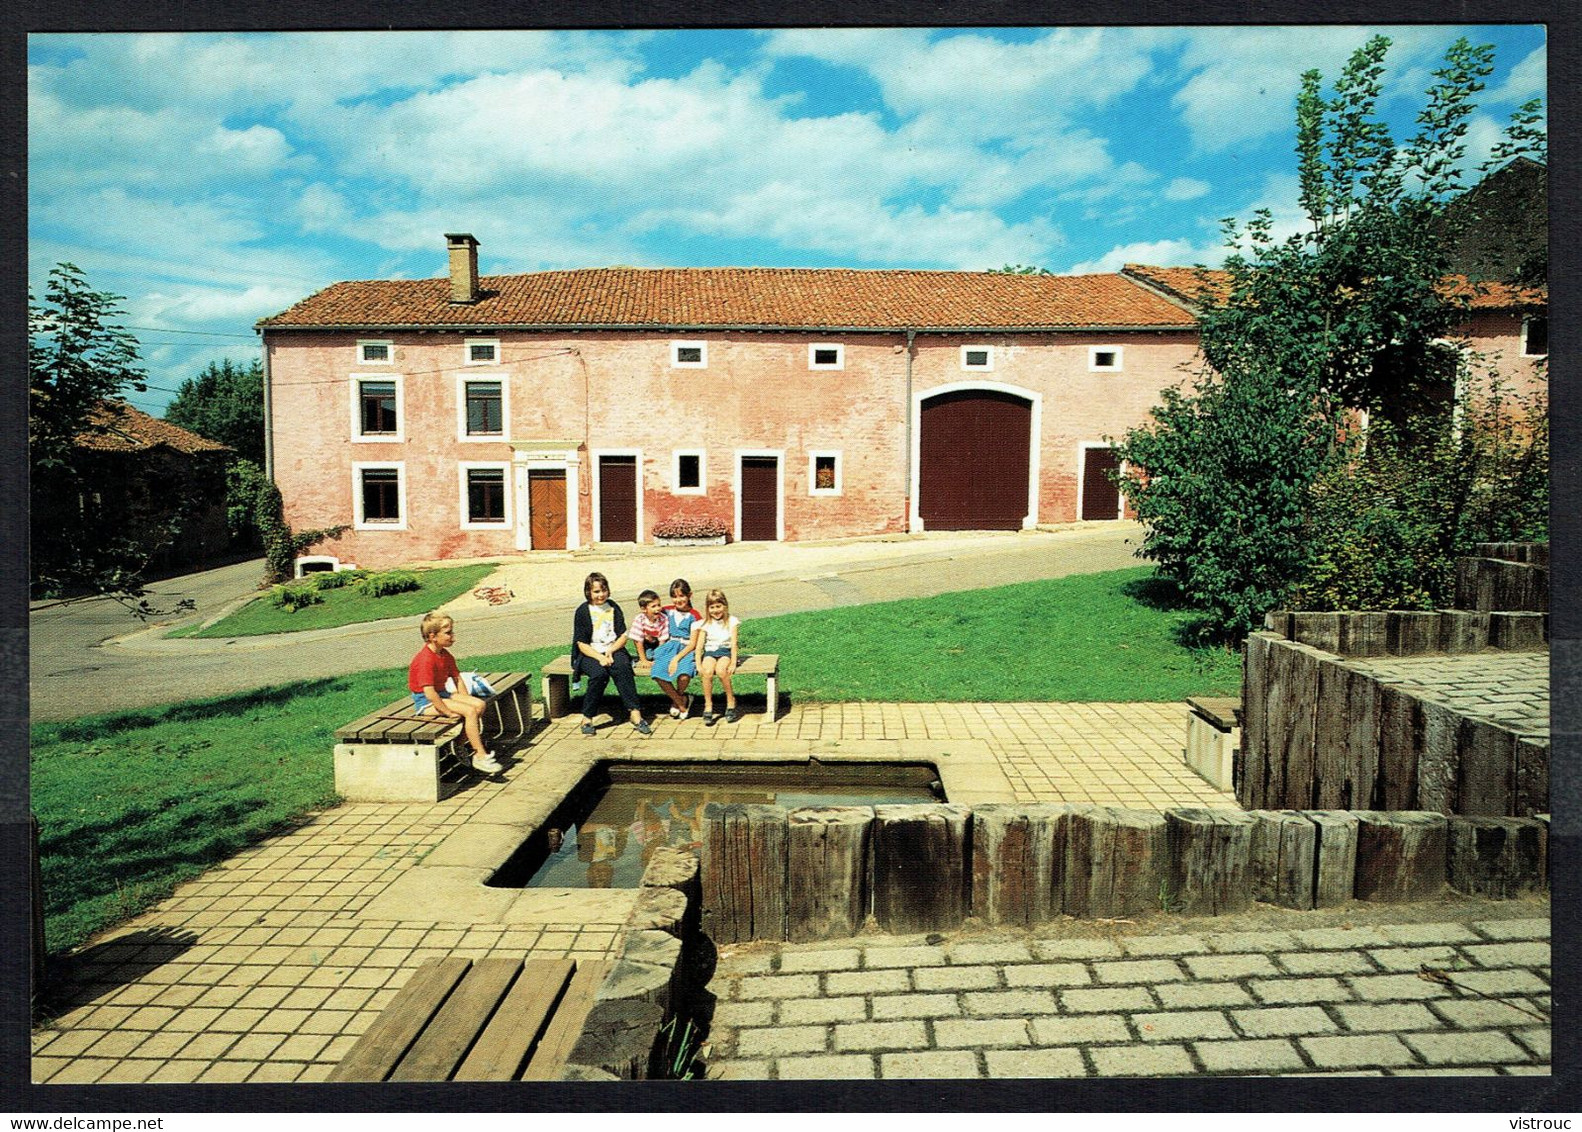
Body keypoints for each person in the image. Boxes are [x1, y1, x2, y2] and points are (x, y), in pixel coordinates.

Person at [408, 611, 502, 774]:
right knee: (470, 711)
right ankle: (480, 755)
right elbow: (429, 693)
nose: (453, 636)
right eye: (448, 633)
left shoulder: (444, 655)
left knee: (479, 705)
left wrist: (465, 699)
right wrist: (447, 712)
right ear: (432, 636)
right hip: (426, 702)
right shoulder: (425, 659)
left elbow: (457, 678)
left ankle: (458, 744)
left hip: (442, 693)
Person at [570, 571, 653, 737]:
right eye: (596, 591)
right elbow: (581, 644)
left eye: (603, 590)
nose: (601, 595)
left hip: (613, 648)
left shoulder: (613, 607)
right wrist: (600, 657)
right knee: (599, 675)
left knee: (623, 668)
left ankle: (635, 714)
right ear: (588, 592)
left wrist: (611, 651)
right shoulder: (583, 611)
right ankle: (587, 718)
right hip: (590, 653)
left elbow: (623, 635)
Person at [649, 578, 702, 719]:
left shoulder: (694, 616)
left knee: (684, 674)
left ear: (689, 595)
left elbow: (693, 643)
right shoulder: (666, 611)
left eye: (681, 596)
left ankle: (676, 700)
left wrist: (676, 659)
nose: (678, 600)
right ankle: (682, 702)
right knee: (657, 672)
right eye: (674, 596)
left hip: (686, 648)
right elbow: (648, 615)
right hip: (669, 646)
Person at [695, 587, 741, 726]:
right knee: (707, 672)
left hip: (725, 652)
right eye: (712, 607)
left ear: (725, 606)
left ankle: (730, 700)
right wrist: (698, 664)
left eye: (719, 606)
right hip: (710, 652)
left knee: (721, 671)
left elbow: (733, 644)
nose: (716, 610)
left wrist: (733, 662)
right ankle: (708, 704)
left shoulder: (732, 621)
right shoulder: (705, 624)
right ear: (708, 608)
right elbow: (699, 646)